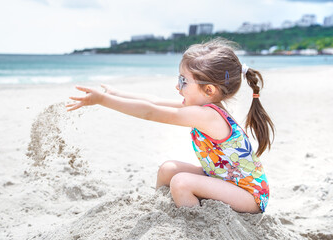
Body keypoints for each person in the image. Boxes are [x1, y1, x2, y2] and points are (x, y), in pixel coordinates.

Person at [66, 38, 274, 214]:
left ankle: (197, 226)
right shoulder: (203, 108)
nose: (177, 86)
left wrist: (103, 101)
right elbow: (154, 101)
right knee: (168, 170)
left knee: (181, 182)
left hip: (249, 196)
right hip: (223, 179)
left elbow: (150, 112)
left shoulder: (207, 115)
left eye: (184, 81)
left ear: (209, 90)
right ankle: (163, 212)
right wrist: (115, 94)